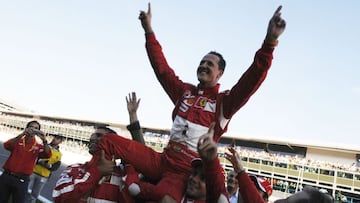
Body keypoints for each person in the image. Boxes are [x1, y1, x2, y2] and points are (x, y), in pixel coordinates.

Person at [98, 2, 286, 202]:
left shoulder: (224, 103)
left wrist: (270, 42)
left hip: (183, 172)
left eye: (209, 64)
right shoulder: (184, 91)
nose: (203, 65)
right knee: (107, 141)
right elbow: (162, 69)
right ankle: (95, 187)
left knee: (165, 198)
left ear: (219, 73)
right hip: (161, 160)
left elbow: (251, 80)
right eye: (202, 62)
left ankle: (135, 187)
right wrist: (149, 31)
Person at [53, 92, 144, 203]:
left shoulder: (123, 174)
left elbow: (142, 157)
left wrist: (133, 118)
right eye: (94, 135)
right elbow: (60, 197)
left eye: (100, 136)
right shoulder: (73, 169)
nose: (93, 138)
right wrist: (97, 172)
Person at [0, 120, 51, 203]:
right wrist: (22, 134)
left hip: (22, 180)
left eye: (36, 128)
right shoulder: (18, 140)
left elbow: (48, 154)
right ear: (27, 128)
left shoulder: (38, 146)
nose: (33, 129)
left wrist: (44, 140)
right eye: (31, 127)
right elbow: (7, 145)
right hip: (7, 176)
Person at [26, 134, 64, 203]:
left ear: (60, 142)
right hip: (33, 171)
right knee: (25, 189)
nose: (54, 139)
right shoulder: (44, 146)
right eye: (54, 137)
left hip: (44, 176)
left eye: (57, 138)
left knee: (35, 195)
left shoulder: (59, 154)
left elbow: (55, 166)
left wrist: (47, 165)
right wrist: (40, 161)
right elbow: (34, 155)